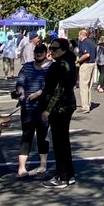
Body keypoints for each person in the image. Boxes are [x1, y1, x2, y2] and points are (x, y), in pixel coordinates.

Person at [41, 37, 77, 185]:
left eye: (54, 49)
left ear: (63, 49)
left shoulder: (61, 65)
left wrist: (48, 110)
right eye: (50, 48)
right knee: (63, 141)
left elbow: (59, 89)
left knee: (59, 142)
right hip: (67, 105)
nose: (51, 51)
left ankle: (61, 177)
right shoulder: (68, 62)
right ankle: (69, 174)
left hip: (60, 107)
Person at [12, 41, 50, 175]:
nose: (38, 54)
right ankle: (22, 167)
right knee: (26, 136)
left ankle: (43, 164)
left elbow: (51, 86)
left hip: (43, 109)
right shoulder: (27, 67)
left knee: (42, 136)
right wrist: (20, 92)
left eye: (41, 52)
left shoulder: (50, 68)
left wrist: (39, 93)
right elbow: (20, 82)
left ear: (46, 54)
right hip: (27, 108)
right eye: (36, 52)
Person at [75, 29, 97, 114]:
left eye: (79, 36)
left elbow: (87, 54)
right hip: (92, 64)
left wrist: (78, 60)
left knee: (83, 86)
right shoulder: (92, 43)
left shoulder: (84, 43)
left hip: (86, 65)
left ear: (81, 35)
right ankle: (88, 103)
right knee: (88, 86)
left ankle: (85, 107)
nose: (78, 37)